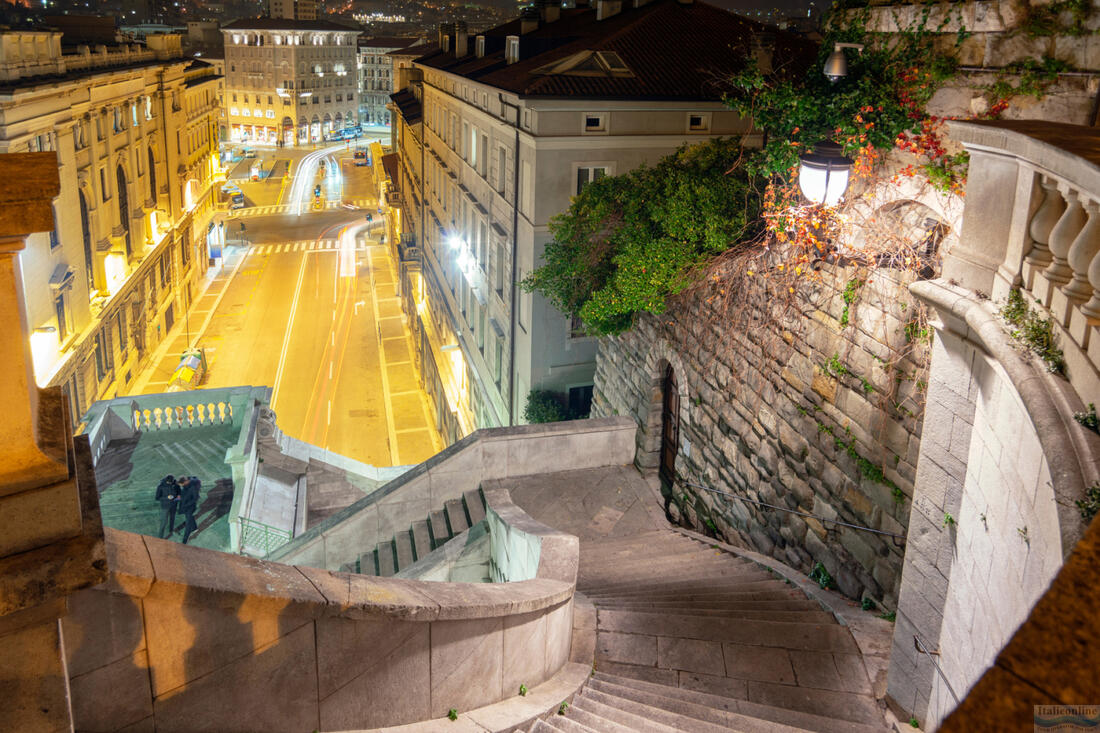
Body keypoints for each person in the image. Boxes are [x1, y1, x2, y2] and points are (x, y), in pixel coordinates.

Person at [179, 476, 201, 544]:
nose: (181, 485)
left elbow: (195, 498)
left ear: (185, 482)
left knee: (188, 523)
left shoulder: (192, 488)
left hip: (190, 507)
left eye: (181, 484)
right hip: (185, 507)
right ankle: (194, 528)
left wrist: (187, 504)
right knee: (190, 518)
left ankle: (185, 540)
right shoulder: (185, 487)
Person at [155, 475, 178, 539]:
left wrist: (177, 497)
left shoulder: (175, 485)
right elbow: (157, 498)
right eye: (169, 482)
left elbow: (178, 493)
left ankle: (171, 530)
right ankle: (160, 537)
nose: (170, 484)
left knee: (172, 519)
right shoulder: (161, 487)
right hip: (165, 506)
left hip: (173, 505)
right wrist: (167, 498)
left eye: (171, 482)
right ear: (166, 481)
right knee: (164, 522)